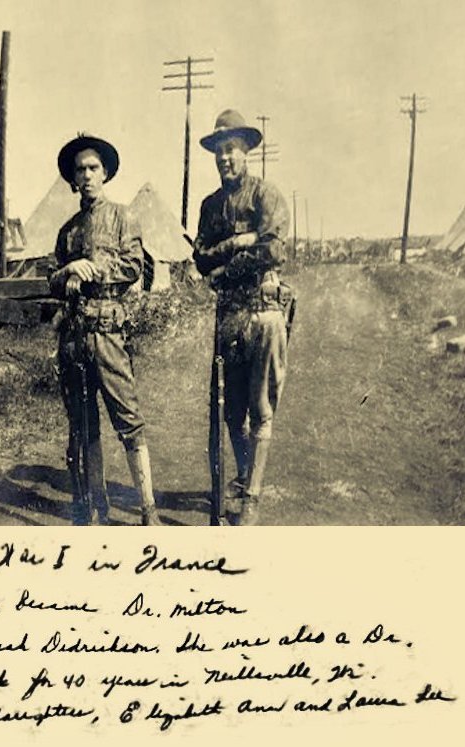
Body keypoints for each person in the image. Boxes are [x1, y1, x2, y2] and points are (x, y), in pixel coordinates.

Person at [48, 133, 161, 526]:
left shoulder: (123, 217)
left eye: (93, 168)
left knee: (128, 419)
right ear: (73, 179)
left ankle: (147, 508)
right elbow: (51, 280)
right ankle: (97, 504)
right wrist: (68, 270)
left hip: (109, 333)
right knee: (83, 424)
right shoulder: (67, 231)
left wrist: (93, 270)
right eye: (80, 170)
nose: (87, 175)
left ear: (105, 173)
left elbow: (135, 266)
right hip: (74, 337)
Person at [193, 110, 292, 526]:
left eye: (231, 149)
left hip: (264, 308)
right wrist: (237, 243)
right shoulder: (210, 205)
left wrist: (226, 264)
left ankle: (251, 498)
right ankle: (245, 474)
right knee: (231, 412)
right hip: (229, 315)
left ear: (246, 151)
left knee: (261, 407)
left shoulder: (267, 195)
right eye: (219, 151)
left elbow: (273, 251)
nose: (225, 158)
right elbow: (200, 258)